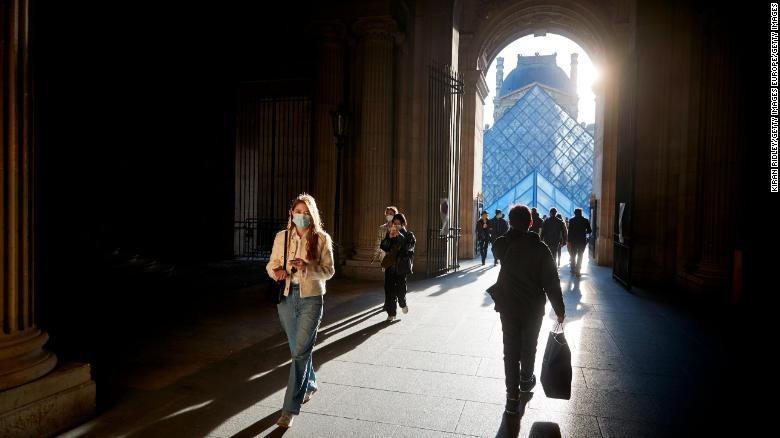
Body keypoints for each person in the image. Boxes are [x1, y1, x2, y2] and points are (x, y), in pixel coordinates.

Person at [266, 194, 334, 428]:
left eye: (306, 213)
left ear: (312, 215)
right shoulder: (281, 237)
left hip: (311, 300)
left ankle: (289, 410)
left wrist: (308, 267)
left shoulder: (322, 238)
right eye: (298, 212)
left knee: (299, 353)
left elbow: (329, 271)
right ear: (291, 214)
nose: (302, 216)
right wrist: (276, 271)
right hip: (285, 299)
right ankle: (311, 383)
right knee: (299, 350)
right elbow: (270, 264)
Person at [490, 205, 565, 416]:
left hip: (509, 306)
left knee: (510, 350)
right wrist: (559, 309)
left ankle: (511, 398)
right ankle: (525, 380)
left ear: (510, 222)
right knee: (530, 346)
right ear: (531, 223)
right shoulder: (540, 248)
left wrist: (511, 230)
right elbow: (552, 281)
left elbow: (497, 247)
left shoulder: (503, 244)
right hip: (533, 308)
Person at [380, 213, 416, 321]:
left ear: (403, 224)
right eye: (394, 224)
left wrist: (399, 235)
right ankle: (391, 314)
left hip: (401, 268)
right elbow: (383, 247)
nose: (396, 226)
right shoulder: (390, 234)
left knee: (400, 291)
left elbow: (408, 248)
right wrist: (389, 238)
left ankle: (402, 303)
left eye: (398, 224)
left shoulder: (409, 235)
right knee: (389, 291)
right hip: (390, 267)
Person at [567, 208, 592, 276]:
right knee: (580, 255)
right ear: (581, 213)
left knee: (573, 255)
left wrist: (569, 241)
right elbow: (590, 231)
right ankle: (578, 270)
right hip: (582, 240)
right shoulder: (585, 220)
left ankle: (572, 269)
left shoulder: (571, 220)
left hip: (573, 240)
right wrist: (584, 232)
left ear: (575, 213)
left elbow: (569, 232)